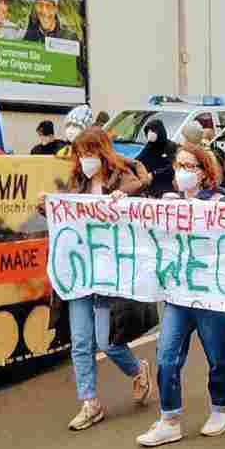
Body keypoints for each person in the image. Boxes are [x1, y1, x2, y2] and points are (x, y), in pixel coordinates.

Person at [41, 128, 152, 431]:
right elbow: (63, 211)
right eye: (80, 153)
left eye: (90, 152)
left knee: (108, 342)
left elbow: (137, 188)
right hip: (80, 272)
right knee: (80, 342)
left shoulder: (123, 176)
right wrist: (47, 205)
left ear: (103, 151)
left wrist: (123, 197)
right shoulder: (77, 181)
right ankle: (89, 403)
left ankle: (137, 370)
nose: (85, 159)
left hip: (107, 275)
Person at [136, 144, 225, 447]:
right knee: (166, 357)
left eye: (189, 166)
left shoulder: (221, 202)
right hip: (178, 296)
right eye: (178, 164)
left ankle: (221, 410)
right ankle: (169, 418)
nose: (182, 171)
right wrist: (119, 203)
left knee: (217, 357)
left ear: (204, 173)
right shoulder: (169, 203)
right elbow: (136, 221)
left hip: (211, 296)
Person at [136, 119, 178, 197]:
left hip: (165, 185)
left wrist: (154, 174)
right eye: (148, 131)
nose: (150, 133)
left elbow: (171, 166)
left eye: (153, 131)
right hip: (149, 185)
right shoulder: (149, 146)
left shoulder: (170, 146)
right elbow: (138, 160)